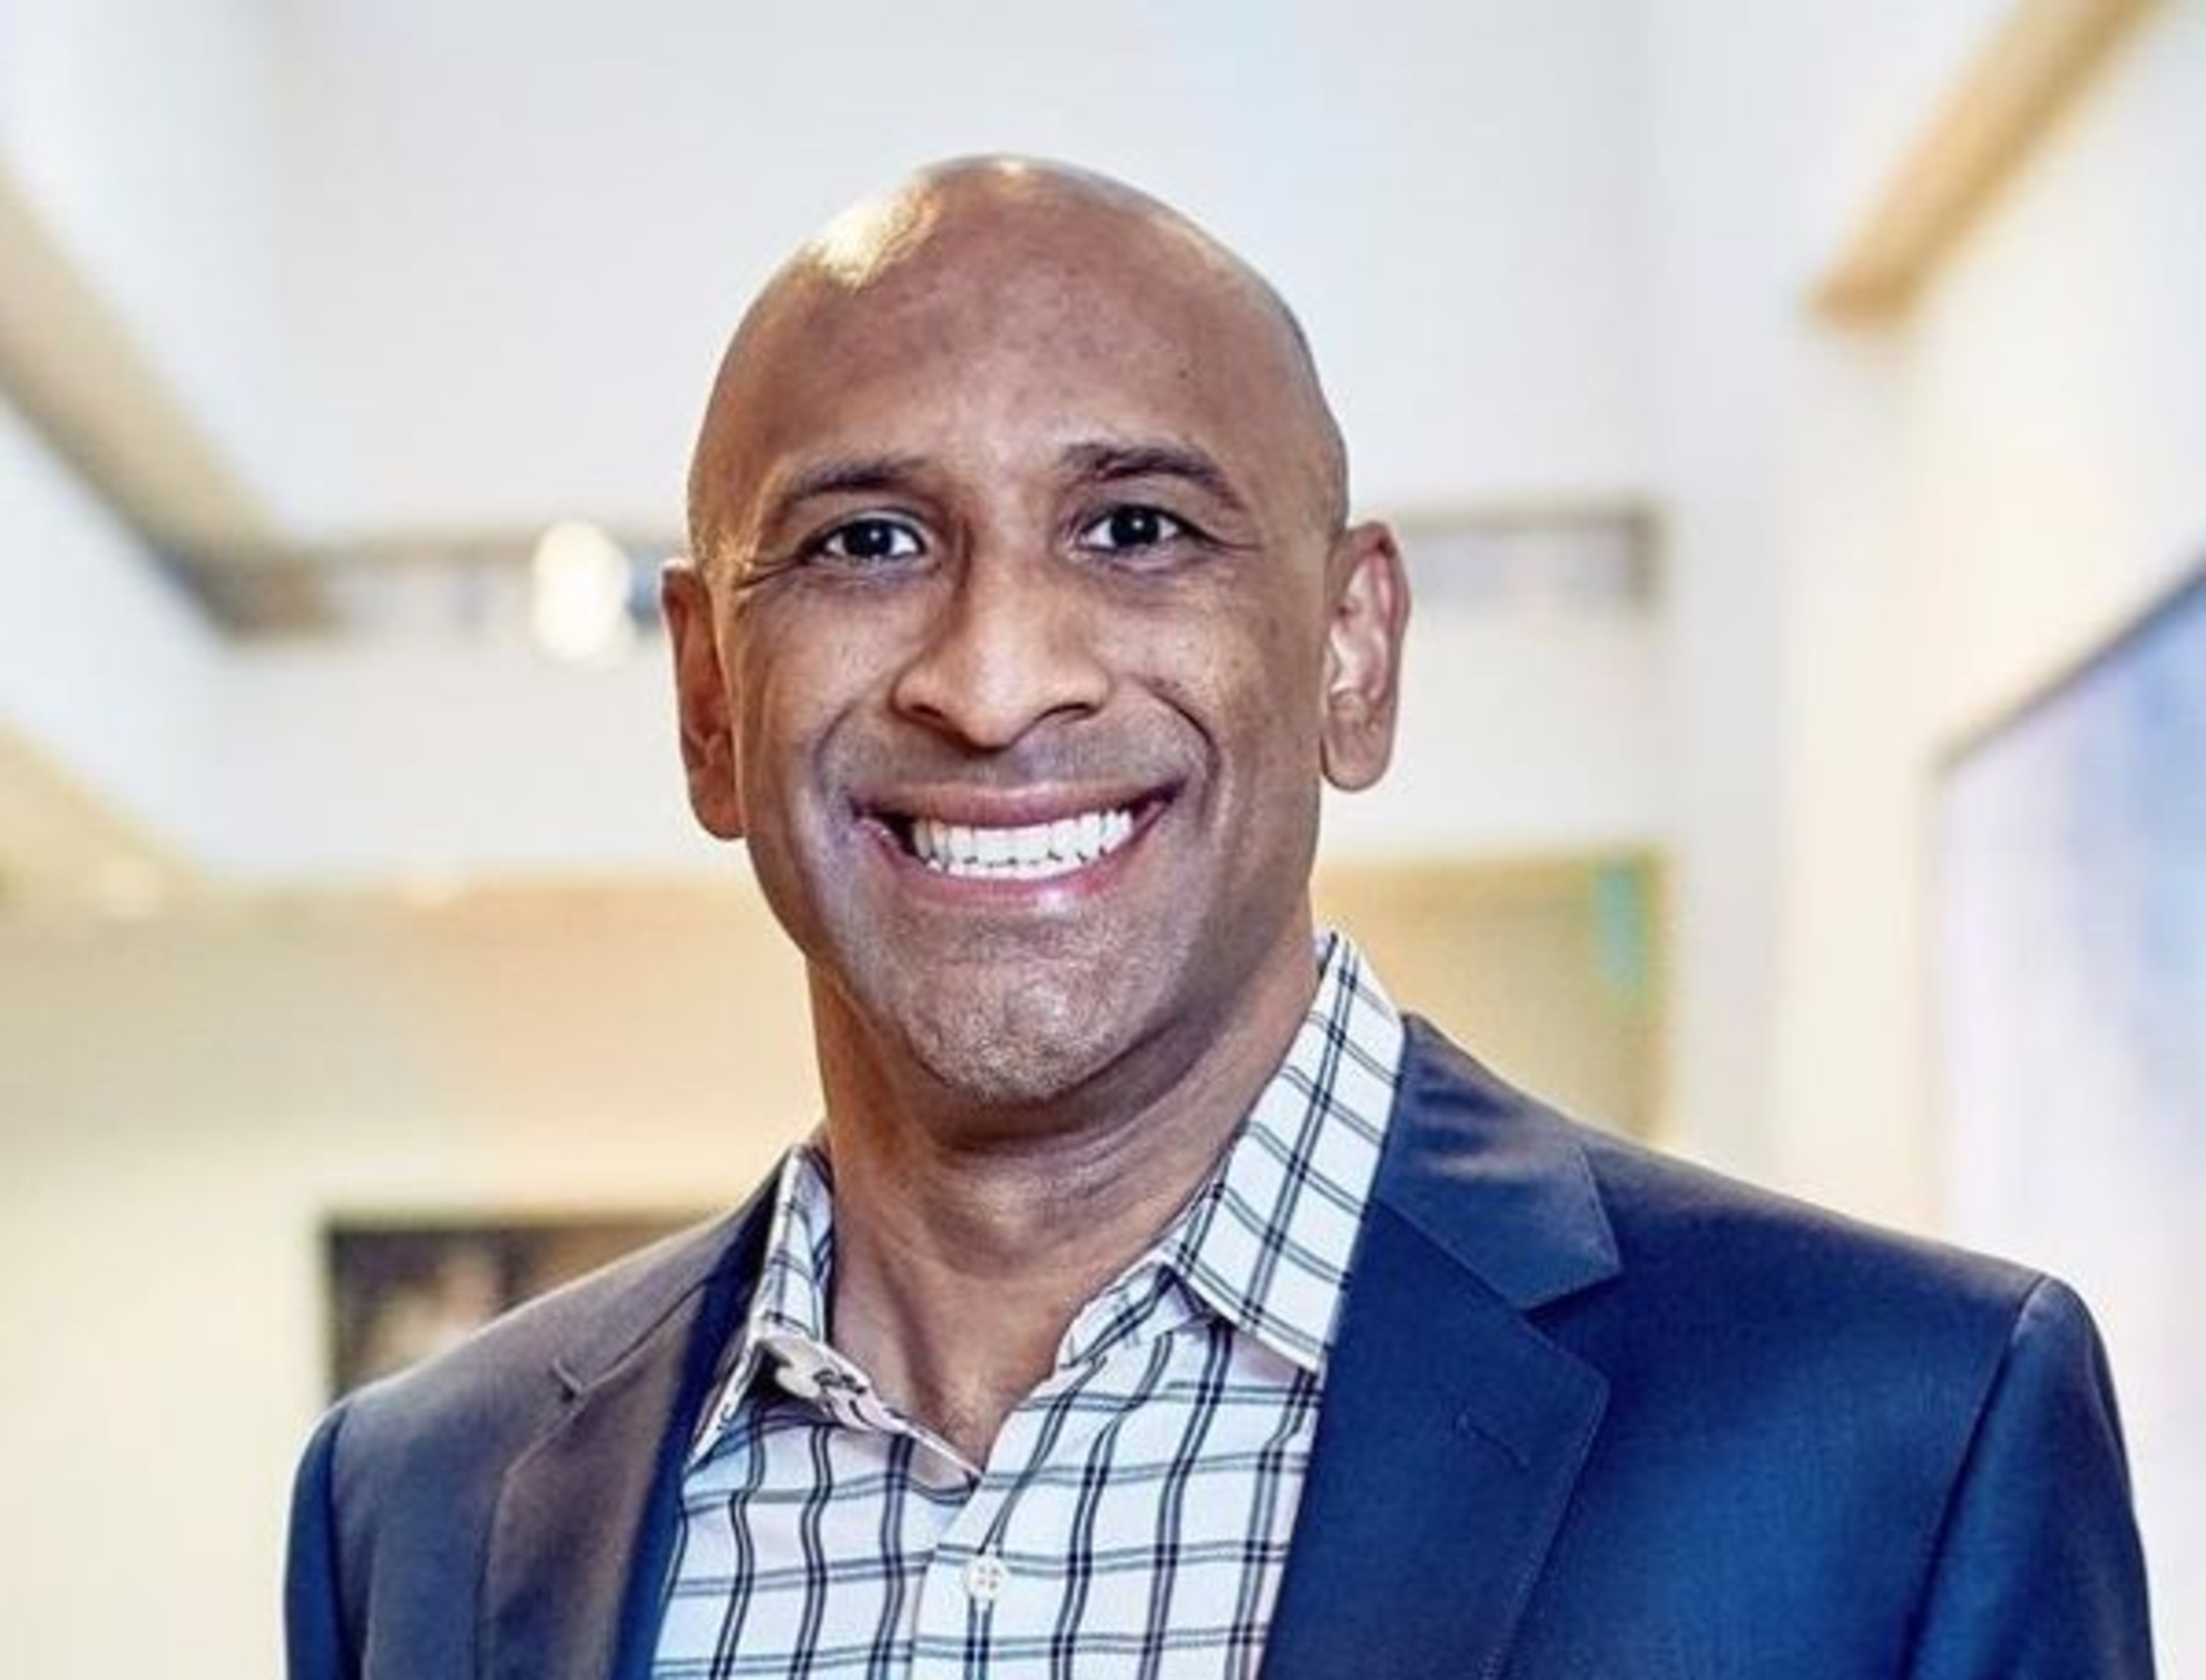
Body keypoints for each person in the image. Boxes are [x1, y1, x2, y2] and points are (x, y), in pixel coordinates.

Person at [285, 157, 2154, 1679]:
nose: (994, 680)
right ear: (707, 695)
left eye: (1136, 529)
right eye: (868, 542)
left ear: (1352, 652)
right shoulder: (425, 1512)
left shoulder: (1894, 1438)